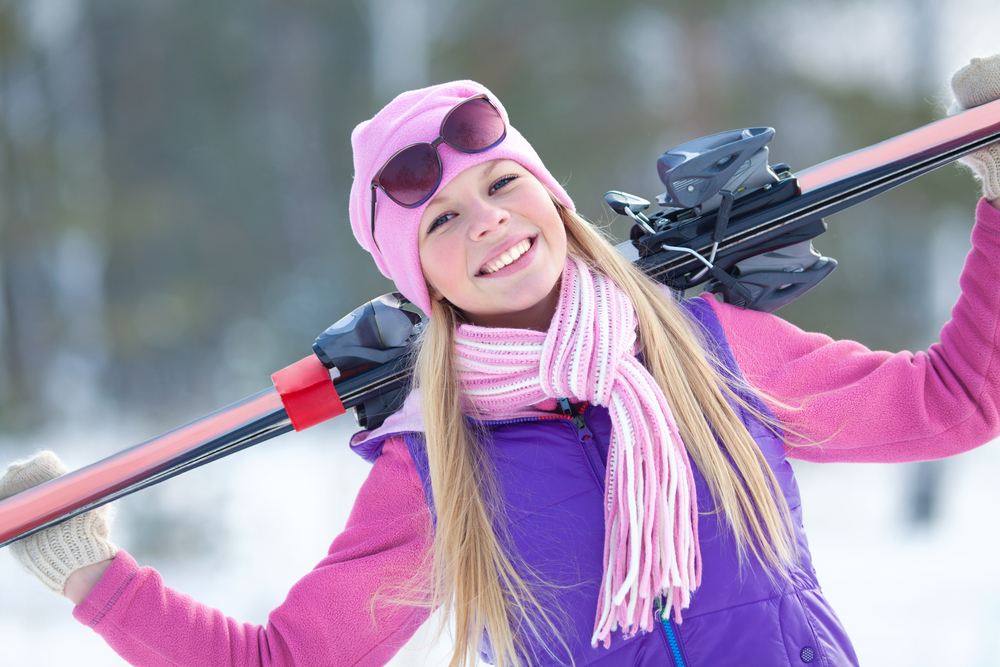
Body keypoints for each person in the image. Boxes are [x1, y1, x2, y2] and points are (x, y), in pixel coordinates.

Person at [2, 55, 1000, 667]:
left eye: (501, 184)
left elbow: (958, 401)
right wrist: (96, 578)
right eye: (442, 218)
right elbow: (286, 659)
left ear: (552, 199)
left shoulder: (708, 349)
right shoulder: (435, 467)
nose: (488, 223)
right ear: (418, 277)